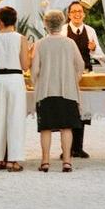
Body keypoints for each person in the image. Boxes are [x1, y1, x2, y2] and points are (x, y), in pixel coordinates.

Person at [31, 10, 85, 173]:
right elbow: (80, 64)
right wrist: (73, 79)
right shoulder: (69, 43)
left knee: (46, 128)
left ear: (46, 24)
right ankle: (67, 161)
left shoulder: (40, 43)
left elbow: (34, 69)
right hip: (67, 90)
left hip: (46, 91)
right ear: (62, 23)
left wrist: (36, 83)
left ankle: (45, 161)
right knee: (66, 127)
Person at [0, 6, 30, 171]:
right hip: (15, 79)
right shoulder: (21, 38)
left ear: (0, 20)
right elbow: (25, 65)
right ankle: (14, 160)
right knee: (15, 118)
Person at [61, 1, 104, 158]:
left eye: (79, 11)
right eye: (73, 11)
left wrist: (93, 48)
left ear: (84, 14)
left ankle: (78, 147)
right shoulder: (63, 30)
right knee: (67, 108)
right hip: (66, 74)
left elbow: (98, 54)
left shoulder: (90, 31)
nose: (77, 14)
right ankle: (67, 148)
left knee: (83, 110)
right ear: (69, 15)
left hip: (85, 74)